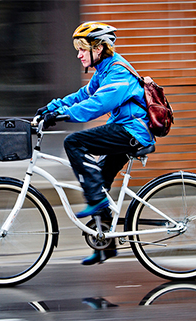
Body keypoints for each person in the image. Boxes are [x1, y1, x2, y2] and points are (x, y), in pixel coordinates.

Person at [36, 22, 155, 265]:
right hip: (124, 129)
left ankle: (97, 202)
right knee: (100, 178)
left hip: (132, 132)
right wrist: (52, 107)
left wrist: (64, 116)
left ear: (98, 48)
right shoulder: (104, 69)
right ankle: (105, 246)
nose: (79, 54)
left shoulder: (118, 72)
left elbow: (98, 104)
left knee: (74, 142)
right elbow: (83, 95)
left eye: (82, 49)